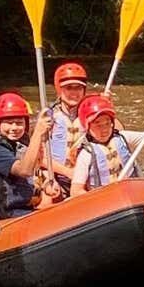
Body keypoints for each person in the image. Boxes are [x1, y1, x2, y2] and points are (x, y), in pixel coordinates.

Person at [0, 92, 60, 221]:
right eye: (9, 123)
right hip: (7, 215)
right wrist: (38, 132)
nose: (14, 128)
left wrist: (46, 185)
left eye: (19, 123)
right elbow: (24, 170)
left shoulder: (22, 146)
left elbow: (34, 175)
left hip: (26, 210)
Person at [70, 95, 144, 196]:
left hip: (132, 194)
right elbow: (76, 191)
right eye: (97, 124)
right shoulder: (86, 154)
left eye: (107, 123)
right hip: (105, 202)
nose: (104, 129)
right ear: (87, 126)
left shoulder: (123, 137)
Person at [48, 62, 88, 196]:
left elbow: (117, 134)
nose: (74, 93)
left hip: (84, 179)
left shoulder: (91, 114)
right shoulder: (49, 117)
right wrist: (68, 172)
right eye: (69, 88)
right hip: (56, 176)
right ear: (60, 90)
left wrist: (108, 107)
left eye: (78, 88)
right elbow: (39, 157)